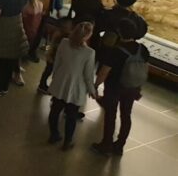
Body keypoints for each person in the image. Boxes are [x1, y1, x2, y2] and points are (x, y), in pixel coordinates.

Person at [92, 18, 150, 157]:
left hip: (114, 87)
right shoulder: (143, 49)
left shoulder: (115, 51)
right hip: (131, 87)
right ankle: (119, 146)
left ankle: (106, 145)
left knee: (110, 115)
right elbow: (144, 68)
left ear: (119, 32)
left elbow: (104, 72)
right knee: (126, 115)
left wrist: (95, 86)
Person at [47, 21, 96, 149]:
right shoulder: (89, 53)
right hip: (76, 88)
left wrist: (55, 77)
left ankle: (54, 134)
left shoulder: (64, 43)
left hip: (60, 82)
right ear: (88, 35)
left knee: (55, 110)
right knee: (71, 116)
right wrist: (92, 90)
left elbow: (57, 61)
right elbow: (88, 75)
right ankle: (67, 142)